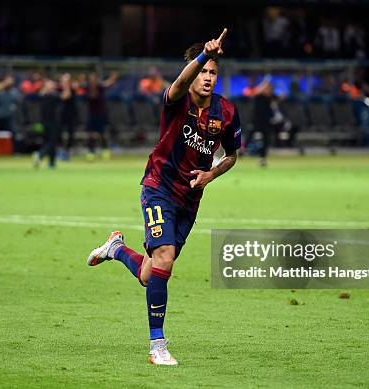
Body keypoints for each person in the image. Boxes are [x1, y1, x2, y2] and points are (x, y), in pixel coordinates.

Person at [86, 28, 241, 365]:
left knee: (150, 273)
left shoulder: (226, 112)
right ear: (192, 71)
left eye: (213, 72)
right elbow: (180, 84)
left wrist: (211, 173)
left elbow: (231, 154)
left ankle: (116, 249)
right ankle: (158, 345)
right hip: (158, 187)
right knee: (166, 258)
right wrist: (203, 54)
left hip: (190, 199)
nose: (207, 77)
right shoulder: (178, 100)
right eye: (202, 70)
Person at [85, 70, 117, 161]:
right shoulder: (87, 89)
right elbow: (92, 97)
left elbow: (107, 84)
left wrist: (112, 78)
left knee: (102, 134)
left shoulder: (100, 87)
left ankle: (105, 151)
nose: (93, 81)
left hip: (101, 114)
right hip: (92, 115)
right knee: (91, 134)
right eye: (91, 79)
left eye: (94, 79)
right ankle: (91, 152)